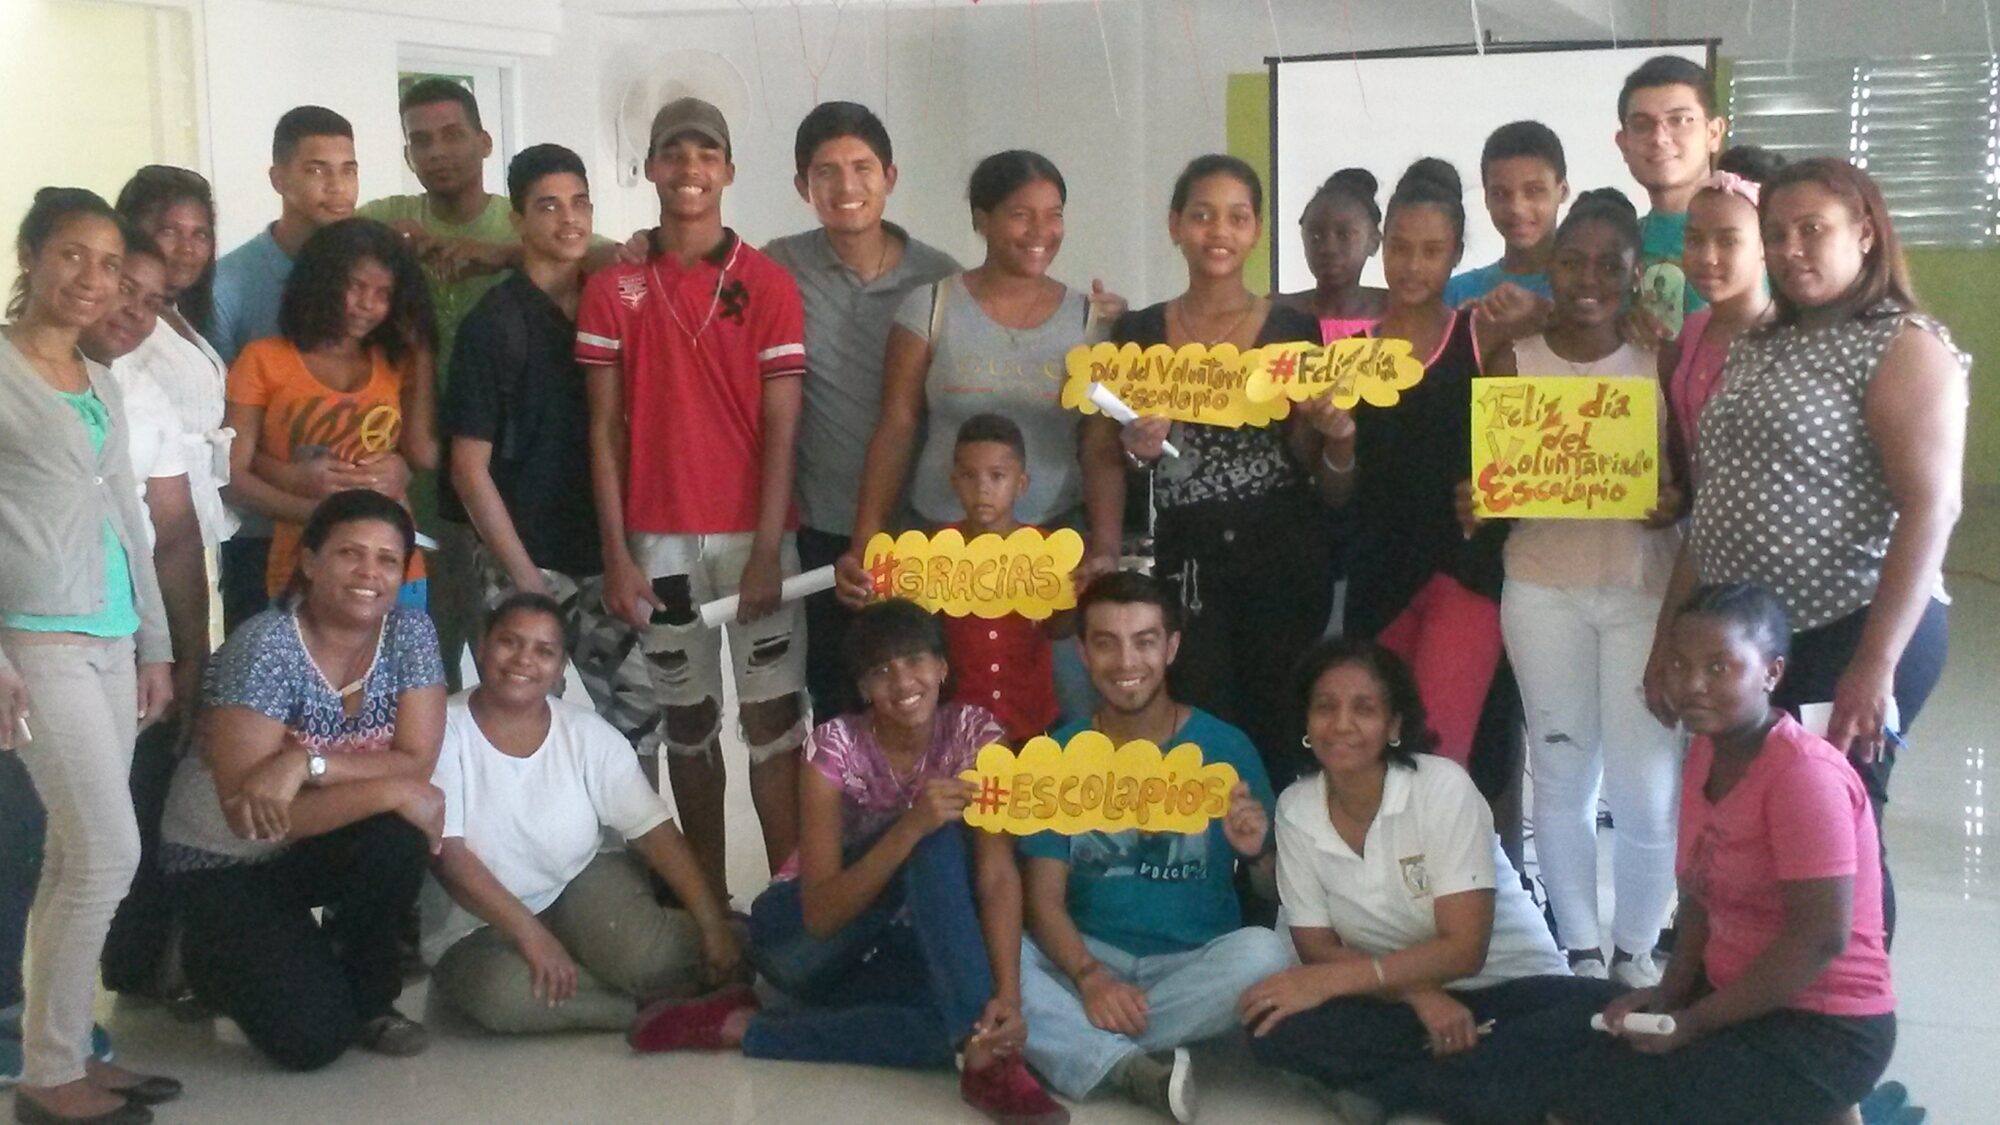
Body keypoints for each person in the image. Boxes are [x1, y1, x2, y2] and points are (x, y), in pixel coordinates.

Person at [1645, 158, 1968, 942]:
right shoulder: (1761, 342)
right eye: (1777, 232)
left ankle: (1851, 1000)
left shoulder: (1900, 344)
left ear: (1865, 233)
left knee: (1837, 819)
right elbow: (1716, 506)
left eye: (1812, 230)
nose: (1791, 249)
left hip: (1854, 627)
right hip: (1750, 641)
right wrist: (1666, 641)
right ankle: (1755, 986)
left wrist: (1874, 664)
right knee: (1755, 819)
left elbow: (1931, 506)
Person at [626, 599, 1068, 1125]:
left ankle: (748, 1026)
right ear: (863, 688)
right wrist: (909, 828)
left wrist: (1008, 999)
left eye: (915, 660)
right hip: (799, 941)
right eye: (881, 670)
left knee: (955, 1016)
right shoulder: (834, 747)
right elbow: (820, 915)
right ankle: (992, 1067)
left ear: (943, 668)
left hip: (896, 947)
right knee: (936, 836)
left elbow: (997, 877)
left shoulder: (978, 735)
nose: (902, 681)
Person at [579, 97, 810, 899]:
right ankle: (711, 909)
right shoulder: (614, 285)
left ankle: (788, 909)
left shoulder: (769, 283)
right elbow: (604, 430)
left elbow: (784, 426)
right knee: (687, 723)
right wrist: (617, 552)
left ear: (729, 170)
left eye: (706, 154)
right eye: (674, 154)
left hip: (755, 536)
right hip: (659, 540)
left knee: (774, 722)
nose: (689, 169)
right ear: (650, 167)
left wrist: (771, 548)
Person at [1554, 584, 1895, 1125]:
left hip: (1825, 1027)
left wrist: (1694, 1023)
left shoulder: (1804, 776)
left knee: (1601, 1104)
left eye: (1719, 667)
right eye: (1678, 664)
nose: (1693, 684)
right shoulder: (1707, 752)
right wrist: (1671, 993)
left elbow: (1819, 938)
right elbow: (1699, 893)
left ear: (1772, 673)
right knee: (1579, 1056)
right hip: (1737, 996)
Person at [1242, 639, 1618, 1125]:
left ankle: (1395, 1090)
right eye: (1325, 708)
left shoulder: (1441, 787)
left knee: (1600, 1011)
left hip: (1510, 988)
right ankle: (1468, 1087)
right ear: (1307, 724)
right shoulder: (1296, 807)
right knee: (1271, 1023)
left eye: (1364, 709)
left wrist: (1416, 993)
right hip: (1392, 1000)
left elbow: (1464, 951)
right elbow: (1316, 947)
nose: (1341, 724)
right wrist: (1420, 997)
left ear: (1395, 725)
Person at [1462, 189, 1682, 986]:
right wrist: (1479, 499)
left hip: (1642, 589)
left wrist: (1675, 499)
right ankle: (1580, 952)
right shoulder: (1512, 360)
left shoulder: (1661, 358)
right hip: (1542, 590)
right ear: (1549, 266)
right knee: (1562, 774)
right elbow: (1491, 486)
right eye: (1572, 261)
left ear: (1634, 272)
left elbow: (1690, 480)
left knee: (1645, 784)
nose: (1589, 279)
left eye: (1608, 265)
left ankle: (1636, 950)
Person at [0, 188, 179, 1125]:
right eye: (72, 255)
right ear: (31, 255)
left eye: (110, 264)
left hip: (112, 636)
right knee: (108, 851)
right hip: (35, 637)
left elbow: (129, 521)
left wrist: (156, 642)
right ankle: (50, 1073)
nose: (93, 279)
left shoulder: (98, 379)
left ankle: (58, 1053)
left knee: (76, 855)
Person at [160, 490, 446, 1071]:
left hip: (309, 839)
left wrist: (306, 762)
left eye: (388, 560)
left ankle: (372, 1001)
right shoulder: (264, 648)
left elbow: (417, 756)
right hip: (226, 859)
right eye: (350, 553)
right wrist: (391, 788)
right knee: (311, 1042)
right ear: (311, 562)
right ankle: (201, 954)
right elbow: (249, 817)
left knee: (395, 841)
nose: (369, 573)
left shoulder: (409, 633)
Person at [833, 150, 1121, 726]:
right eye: (1021, 215)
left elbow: (1099, 444)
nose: (1040, 231)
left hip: (1052, 551)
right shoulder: (932, 306)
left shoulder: (1091, 321)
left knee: (1059, 715)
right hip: (940, 548)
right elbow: (897, 424)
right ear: (982, 220)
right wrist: (866, 542)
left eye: (1054, 214)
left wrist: (1106, 546)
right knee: (943, 715)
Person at [1082, 154, 1331, 791]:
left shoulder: (1293, 329)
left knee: (1282, 725)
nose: (1219, 231)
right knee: (1200, 728)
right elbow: (1108, 450)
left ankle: (1275, 852)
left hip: (1282, 556)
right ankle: (1210, 854)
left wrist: (1320, 421)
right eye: (1201, 215)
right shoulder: (1138, 332)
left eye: (1237, 217)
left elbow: (1305, 458)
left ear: (1256, 231)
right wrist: (1138, 451)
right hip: (1188, 562)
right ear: (1175, 225)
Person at [1016, 572, 1293, 1122]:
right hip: (1086, 954)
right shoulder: (1056, 755)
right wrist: (1090, 978)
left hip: (1191, 961)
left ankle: (1080, 1047)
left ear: (1171, 647)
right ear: (1082, 652)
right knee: (996, 954)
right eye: (1106, 643)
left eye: (1144, 641)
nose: (1126, 662)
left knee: (1266, 953)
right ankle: (1129, 1065)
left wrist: (1257, 852)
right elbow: (1042, 901)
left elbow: (1273, 890)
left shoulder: (1226, 747)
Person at [426, 593, 744, 1034]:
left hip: (577, 881)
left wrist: (712, 924)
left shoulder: (586, 733)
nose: (523, 660)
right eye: (510, 642)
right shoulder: (440, 729)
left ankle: (728, 947)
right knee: (505, 997)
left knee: (653, 957)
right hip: (473, 922)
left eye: (544, 651)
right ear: (481, 647)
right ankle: (654, 1009)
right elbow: (451, 857)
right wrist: (531, 936)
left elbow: (654, 832)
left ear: (561, 668)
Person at [443, 144, 657, 765]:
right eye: (548, 206)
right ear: (517, 220)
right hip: (523, 555)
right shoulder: (494, 324)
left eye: (579, 203)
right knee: (522, 723)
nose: (569, 219)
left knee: (641, 715)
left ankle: (636, 827)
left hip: (607, 558)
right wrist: (525, 579)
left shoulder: (612, 300)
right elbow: (468, 469)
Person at [765, 101, 961, 721]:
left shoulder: (940, 278)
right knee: (840, 702)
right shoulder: (776, 267)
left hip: (929, 527)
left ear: (890, 176)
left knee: (932, 703)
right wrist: (625, 252)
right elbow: (690, 276)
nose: (845, 186)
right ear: (803, 187)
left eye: (862, 168)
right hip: (825, 529)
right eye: (825, 172)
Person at [1323, 158, 1508, 768]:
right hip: (1377, 576)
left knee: (1437, 759)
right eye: (1401, 248)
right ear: (1381, 245)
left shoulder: (1482, 337)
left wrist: (1496, 493)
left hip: (1464, 573)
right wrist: (1338, 443)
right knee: (1376, 755)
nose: (1413, 265)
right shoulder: (1349, 355)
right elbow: (1336, 493)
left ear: (1456, 253)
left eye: (1431, 251)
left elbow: (1521, 451)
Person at [75, 226, 214, 1003]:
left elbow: (176, 533)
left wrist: (189, 653)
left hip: (130, 631)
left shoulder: (144, 392)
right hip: (34, 631)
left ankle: (132, 968)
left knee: (134, 801)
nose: (134, 311)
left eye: (154, 301)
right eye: (124, 288)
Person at [360, 77, 523, 690]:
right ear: (408, 155)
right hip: (410, 494)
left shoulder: (520, 222)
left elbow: (603, 258)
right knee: (418, 678)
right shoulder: (387, 219)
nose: (438, 151)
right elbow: (326, 246)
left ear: (484, 142)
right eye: (421, 140)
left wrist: (500, 255)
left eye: (453, 134)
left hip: (505, 494)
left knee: (508, 674)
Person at [221, 218, 432, 610]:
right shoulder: (263, 360)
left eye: (384, 294)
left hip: (398, 572)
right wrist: (319, 511)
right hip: (303, 571)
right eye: (356, 287)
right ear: (322, 280)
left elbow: (421, 453)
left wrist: (402, 467)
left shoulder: (395, 361)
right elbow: (230, 477)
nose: (368, 305)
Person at [210, 106, 361, 633]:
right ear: (279, 178)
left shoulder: (370, 277)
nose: (337, 186)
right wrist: (287, 480)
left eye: (348, 169)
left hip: (360, 532)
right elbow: (216, 436)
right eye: (317, 169)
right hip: (260, 531)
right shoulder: (229, 284)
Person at [113, 167, 237, 628]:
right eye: (169, 231)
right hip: (150, 513)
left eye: (200, 234)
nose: (187, 248)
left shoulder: (178, 315)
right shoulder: (122, 320)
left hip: (193, 509)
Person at [1659, 146, 1785, 476]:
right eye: (1694, 240)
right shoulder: (1691, 330)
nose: (1707, 257)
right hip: (1700, 507)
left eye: (1728, 242)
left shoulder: (1788, 338)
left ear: (1764, 245)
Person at [937, 413, 1060, 743]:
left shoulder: (1048, 550)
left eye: (997, 476)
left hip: (1031, 718)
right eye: (969, 476)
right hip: (959, 722)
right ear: (954, 482)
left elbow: (1062, 628)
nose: (982, 488)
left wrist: (1078, 593)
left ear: (1021, 484)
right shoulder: (936, 550)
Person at [1615, 55, 1727, 338]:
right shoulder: (1620, 244)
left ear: (1713, 134)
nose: (1660, 138)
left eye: (1680, 120)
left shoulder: (1755, 238)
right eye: (1642, 125)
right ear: (1624, 144)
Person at [1443, 120, 1570, 308]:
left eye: (1534, 190)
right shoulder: (1457, 295)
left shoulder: (1586, 289)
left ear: (1563, 191)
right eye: (1501, 193)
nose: (1516, 208)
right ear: (1486, 198)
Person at [1274, 167, 1387, 341]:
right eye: (1315, 236)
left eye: (1344, 235)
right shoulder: (1277, 312)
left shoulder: (1395, 312)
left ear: (1374, 242)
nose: (1328, 248)